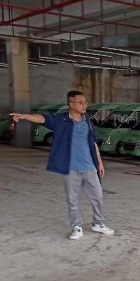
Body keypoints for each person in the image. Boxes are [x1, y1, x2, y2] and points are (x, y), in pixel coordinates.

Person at [10, 91, 114, 240]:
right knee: (73, 199)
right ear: (71, 104)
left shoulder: (88, 122)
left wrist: (99, 163)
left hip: (90, 167)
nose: (84, 105)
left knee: (98, 197)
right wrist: (25, 116)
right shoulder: (61, 120)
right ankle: (76, 226)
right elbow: (43, 118)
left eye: (85, 102)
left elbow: (93, 143)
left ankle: (98, 223)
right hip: (70, 168)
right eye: (80, 102)